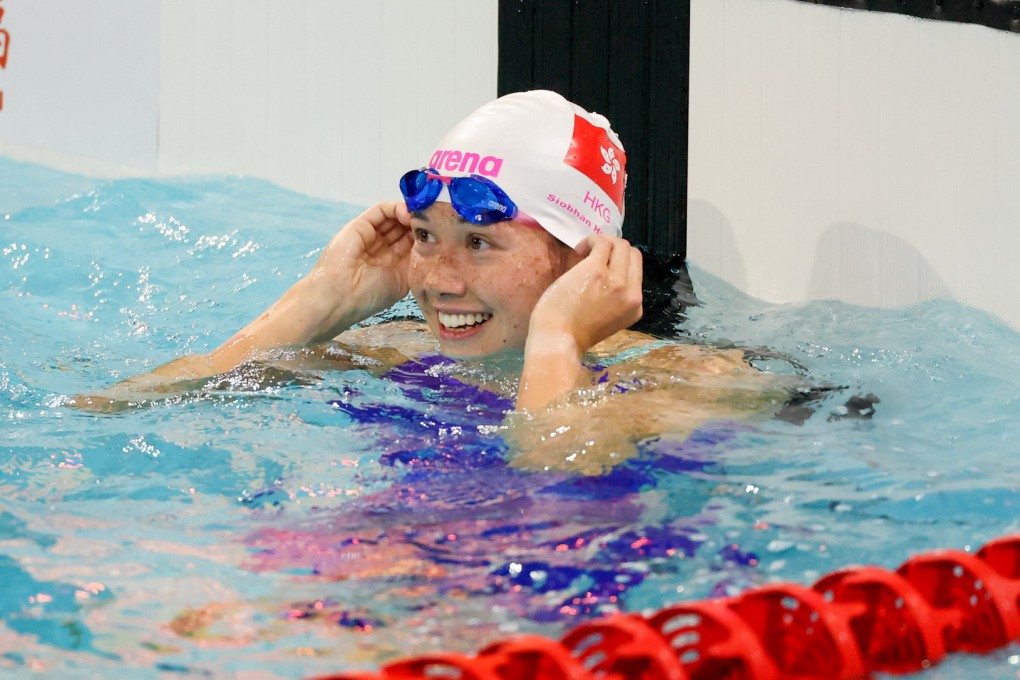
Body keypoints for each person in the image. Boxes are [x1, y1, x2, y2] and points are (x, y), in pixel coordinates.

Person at [74, 90, 803, 472]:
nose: (438, 280)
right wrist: (319, 302)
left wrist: (556, 340)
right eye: (426, 238)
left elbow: (552, 483)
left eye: (479, 243)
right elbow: (116, 407)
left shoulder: (694, 380)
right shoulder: (393, 350)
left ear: (581, 259)